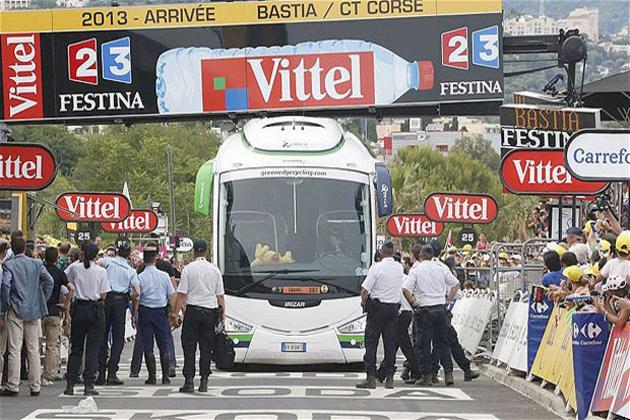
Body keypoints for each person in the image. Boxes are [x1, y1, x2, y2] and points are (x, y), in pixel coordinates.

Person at [0, 237, 54, 397]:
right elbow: (49, 281)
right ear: (24, 249)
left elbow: (6, 286)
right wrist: (42, 298)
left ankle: (13, 384)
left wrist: (5, 306)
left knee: (15, 349)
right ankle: (35, 385)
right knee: (33, 349)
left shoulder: (9, 265)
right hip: (34, 309)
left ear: (13, 250)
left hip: (15, 309)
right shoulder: (37, 264)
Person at [403, 244, 459, 387]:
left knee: (423, 345)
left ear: (421, 255)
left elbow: (405, 289)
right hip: (440, 309)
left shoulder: (417, 270)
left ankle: (426, 376)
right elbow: (456, 283)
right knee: (442, 343)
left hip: (424, 309)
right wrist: (447, 300)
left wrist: (413, 303)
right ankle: (448, 373)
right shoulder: (441, 268)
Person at [173, 240, 225, 393]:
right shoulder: (215, 270)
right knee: (206, 348)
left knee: (189, 347)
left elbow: (181, 294)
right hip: (210, 312)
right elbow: (220, 297)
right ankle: (204, 380)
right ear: (206, 252)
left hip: (193, 311)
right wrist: (223, 317)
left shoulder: (188, 269)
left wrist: (175, 314)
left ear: (194, 252)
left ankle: (189, 381)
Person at [356, 241, 402, 390]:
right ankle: (389, 377)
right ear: (393, 252)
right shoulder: (399, 268)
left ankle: (370, 378)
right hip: (393, 308)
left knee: (371, 343)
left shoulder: (377, 267)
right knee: (389, 343)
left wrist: (364, 303)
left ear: (381, 253)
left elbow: (365, 289)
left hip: (377, 308)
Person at [64, 243, 109, 396]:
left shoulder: (75, 268)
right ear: (96, 256)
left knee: (76, 348)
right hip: (96, 309)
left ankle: (70, 383)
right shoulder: (101, 271)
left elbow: (67, 282)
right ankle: (89, 384)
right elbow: (103, 294)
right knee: (92, 349)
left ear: (83, 253)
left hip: (79, 309)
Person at [96, 241, 141, 386]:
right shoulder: (130, 271)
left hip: (106, 300)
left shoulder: (107, 262)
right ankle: (112, 372)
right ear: (128, 255)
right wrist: (132, 303)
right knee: (118, 338)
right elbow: (138, 292)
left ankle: (101, 373)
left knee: (102, 336)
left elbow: (96, 263)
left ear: (116, 251)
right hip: (121, 303)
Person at [133, 243, 175, 386]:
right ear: (155, 259)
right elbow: (171, 296)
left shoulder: (140, 276)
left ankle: (152, 376)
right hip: (161, 312)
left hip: (145, 312)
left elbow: (137, 297)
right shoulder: (164, 276)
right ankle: (166, 376)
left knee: (148, 345)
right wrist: (173, 313)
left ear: (144, 260)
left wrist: (134, 314)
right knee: (164, 344)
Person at [41, 247, 74, 386]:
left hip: (38, 311)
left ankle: (34, 372)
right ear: (56, 259)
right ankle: (49, 375)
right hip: (54, 311)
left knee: (34, 346)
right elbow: (71, 288)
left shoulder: (40, 272)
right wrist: (65, 305)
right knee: (52, 345)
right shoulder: (59, 273)